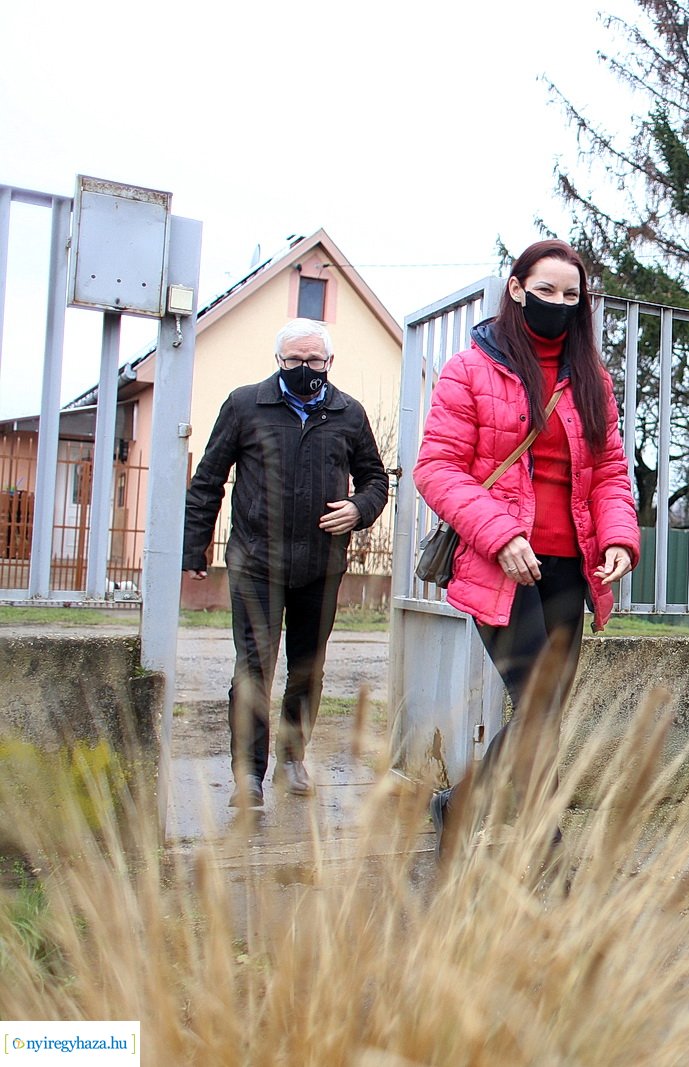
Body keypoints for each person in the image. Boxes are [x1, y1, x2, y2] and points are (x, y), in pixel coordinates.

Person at [413, 240, 638, 857]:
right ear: (516, 289)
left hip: (571, 567)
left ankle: (457, 808)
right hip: (502, 564)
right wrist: (500, 533)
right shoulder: (471, 369)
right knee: (537, 698)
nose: (559, 304)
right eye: (546, 291)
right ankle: (546, 844)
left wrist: (619, 538)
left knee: (546, 710)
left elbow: (612, 473)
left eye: (572, 295)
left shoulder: (592, 379)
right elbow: (437, 468)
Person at [184, 317, 389, 808]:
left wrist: (360, 509)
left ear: (329, 363)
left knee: (307, 669)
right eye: (294, 360)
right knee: (253, 669)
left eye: (313, 361)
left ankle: (292, 759)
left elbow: (376, 480)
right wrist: (195, 549)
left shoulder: (349, 414)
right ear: (278, 361)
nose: (304, 369)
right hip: (256, 562)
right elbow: (208, 479)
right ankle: (248, 775)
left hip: (320, 566)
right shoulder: (244, 405)